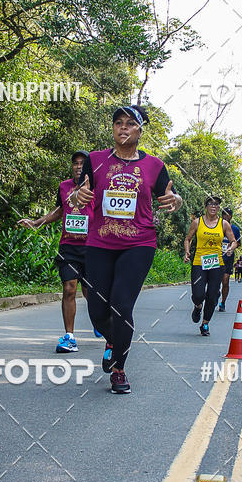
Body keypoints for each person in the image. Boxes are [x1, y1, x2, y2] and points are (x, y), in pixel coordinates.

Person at [75, 105, 181, 394]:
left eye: (130, 124)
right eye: (118, 123)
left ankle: (119, 367)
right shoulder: (95, 161)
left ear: (140, 130)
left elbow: (169, 195)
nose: (123, 128)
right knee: (98, 310)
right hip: (99, 242)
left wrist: (177, 200)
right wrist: (78, 194)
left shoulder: (155, 166)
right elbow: (77, 194)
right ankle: (114, 340)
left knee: (121, 306)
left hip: (138, 244)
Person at [19, 150, 99, 353]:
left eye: (83, 163)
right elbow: (58, 211)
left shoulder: (97, 187)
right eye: (75, 163)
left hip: (92, 247)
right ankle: (69, 337)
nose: (79, 166)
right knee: (69, 288)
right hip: (69, 247)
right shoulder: (64, 187)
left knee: (91, 293)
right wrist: (35, 223)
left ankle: (99, 322)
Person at [184, 196, 237, 336]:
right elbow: (188, 239)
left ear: (219, 208)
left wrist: (231, 248)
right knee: (198, 294)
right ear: (206, 206)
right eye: (211, 204)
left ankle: (205, 324)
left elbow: (233, 241)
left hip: (217, 263)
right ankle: (197, 306)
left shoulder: (224, 224)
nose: (214, 206)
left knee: (212, 295)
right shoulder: (197, 222)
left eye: (217, 204)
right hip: (199, 263)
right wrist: (187, 252)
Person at [218, 206, 241, 311]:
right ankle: (214, 296)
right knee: (213, 281)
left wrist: (231, 248)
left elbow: (238, 243)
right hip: (215, 257)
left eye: (228, 215)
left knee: (225, 281)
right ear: (222, 215)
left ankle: (223, 302)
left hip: (228, 258)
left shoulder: (235, 229)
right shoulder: (216, 226)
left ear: (231, 216)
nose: (226, 216)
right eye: (224, 214)